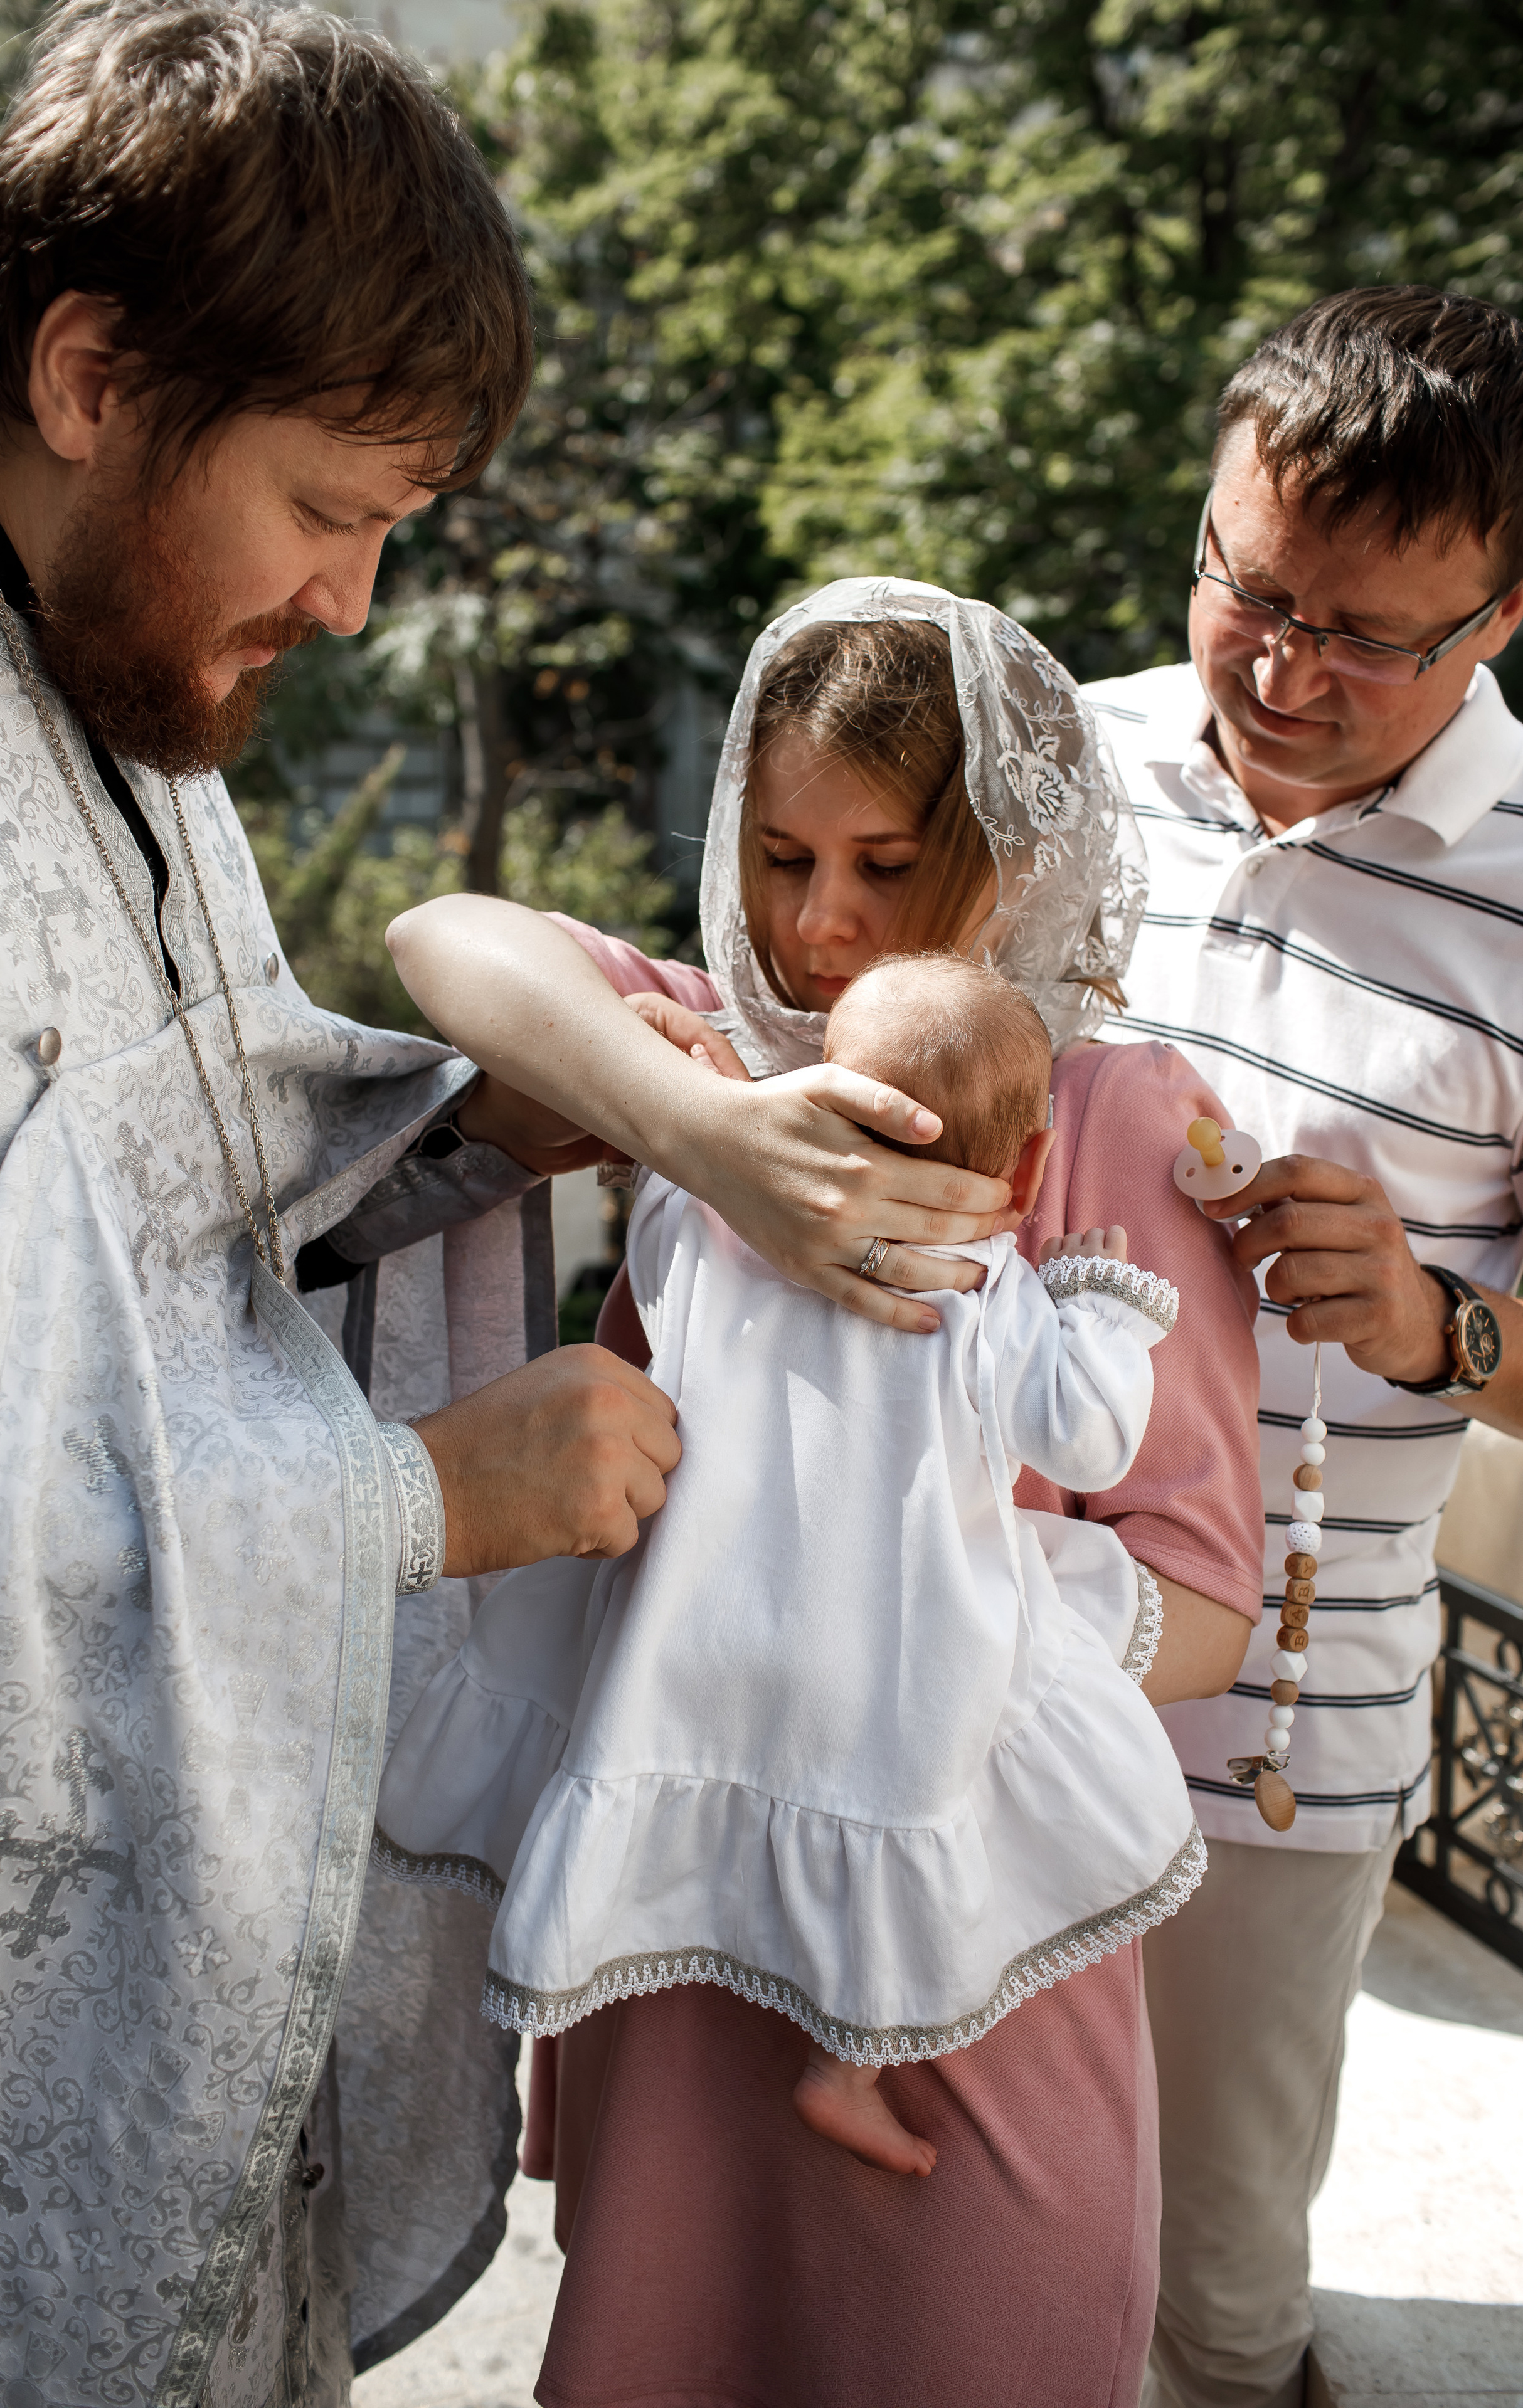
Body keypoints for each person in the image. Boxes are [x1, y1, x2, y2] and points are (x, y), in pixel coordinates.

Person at [0, 16, 1018, 2402]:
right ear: (94, 375)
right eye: (332, 505)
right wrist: (409, 1502)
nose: (352, 599)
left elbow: (160, 1229)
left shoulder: (100, 664)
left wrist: (472, 1144)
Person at [385, 578, 1266, 2407]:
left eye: (883, 864)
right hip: (687, 1923)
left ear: (1004, 861)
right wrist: (701, 1132)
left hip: (964, 1962)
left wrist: (904, 1612)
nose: (815, 923)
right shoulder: (713, 1056)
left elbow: (1205, 1598)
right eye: (780, 857)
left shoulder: (1104, 1118)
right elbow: (440, 935)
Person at [373, 951, 1201, 2182]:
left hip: (704, 1627)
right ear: (1026, 1170)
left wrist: (702, 1098)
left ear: (815, 1102)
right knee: (893, 1810)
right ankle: (843, 2069)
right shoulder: (989, 1293)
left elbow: (670, 1213)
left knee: (657, 1768)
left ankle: (587, 1956)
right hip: (888, 1657)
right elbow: (1085, 1436)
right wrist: (1102, 1309)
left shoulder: (720, 1231)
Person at [1079, 285, 1523, 2408]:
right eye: (1247, 589)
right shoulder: (1052, 759)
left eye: (1363, 636)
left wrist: (1435, 1320)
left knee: (1211, 2295)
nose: (1277, 670)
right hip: (961, 1679)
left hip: (1283, 1744)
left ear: (1504, 617)